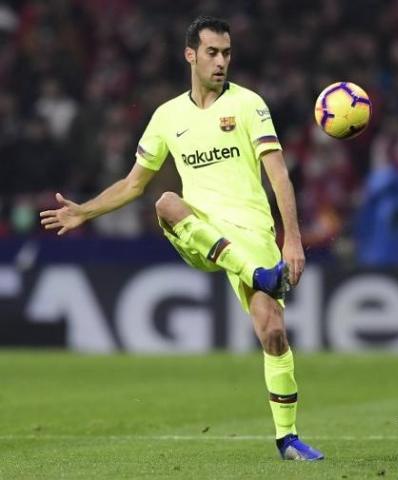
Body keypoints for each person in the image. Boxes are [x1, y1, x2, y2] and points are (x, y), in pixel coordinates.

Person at [39, 16, 324, 461]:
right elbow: (135, 184)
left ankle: (287, 439)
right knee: (166, 200)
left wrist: (292, 238)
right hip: (202, 231)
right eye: (212, 52)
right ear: (190, 54)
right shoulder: (167, 116)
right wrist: (84, 211)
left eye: (227, 53)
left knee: (272, 334)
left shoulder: (250, 105)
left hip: (252, 233)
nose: (221, 61)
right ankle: (258, 275)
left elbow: (278, 175)